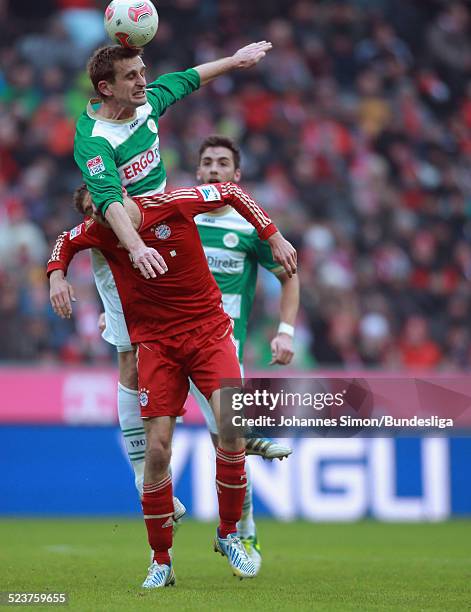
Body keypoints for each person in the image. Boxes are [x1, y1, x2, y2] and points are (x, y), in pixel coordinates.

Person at [48, 181, 297, 588]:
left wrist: (273, 234)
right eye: (92, 212)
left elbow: (232, 191)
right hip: (156, 345)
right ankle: (161, 560)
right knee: (158, 450)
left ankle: (228, 532)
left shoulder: (173, 203)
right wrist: (56, 276)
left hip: (210, 333)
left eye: (103, 206)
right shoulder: (99, 230)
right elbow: (63, 242)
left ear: (121, 192)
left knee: (231, 428)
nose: (99, 216)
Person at [73, 43, 273, 498]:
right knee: (129, 358)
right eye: (132, 77)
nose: (144, 81)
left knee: (202, 333)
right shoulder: (94, 139)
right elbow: (107, 201)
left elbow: (186, 78)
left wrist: (234, 61)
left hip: (163, 234)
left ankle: (232, 430)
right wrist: (136, 246)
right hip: (124, 246)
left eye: (143, 72)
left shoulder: (146, 104)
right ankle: (143, 471)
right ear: (106, 88)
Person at [192, 134, 300, 570]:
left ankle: (241, 531)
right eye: (207, 162)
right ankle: (173, 546)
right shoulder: (179, 216)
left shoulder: (250, 227)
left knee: (228, 441)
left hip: (222, 348)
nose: (214, 169)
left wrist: (286, 332)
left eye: (222, 163)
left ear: (236, 176)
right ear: (197, 171)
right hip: (168, 343)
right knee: (218, 440)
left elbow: (290, 275)